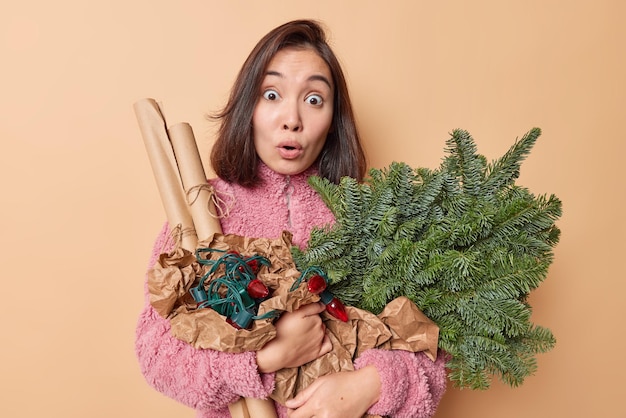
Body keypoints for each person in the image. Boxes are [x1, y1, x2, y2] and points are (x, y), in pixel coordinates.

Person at [135, 19, 447, 418]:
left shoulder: (374, 216)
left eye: (314, 99)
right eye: (271, 94)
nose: (292, 119)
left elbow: (435, 350)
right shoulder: (202, 212)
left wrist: (371, 384)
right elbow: (156, 355)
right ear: (248, 106)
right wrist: (262, 359)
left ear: (335, 118)